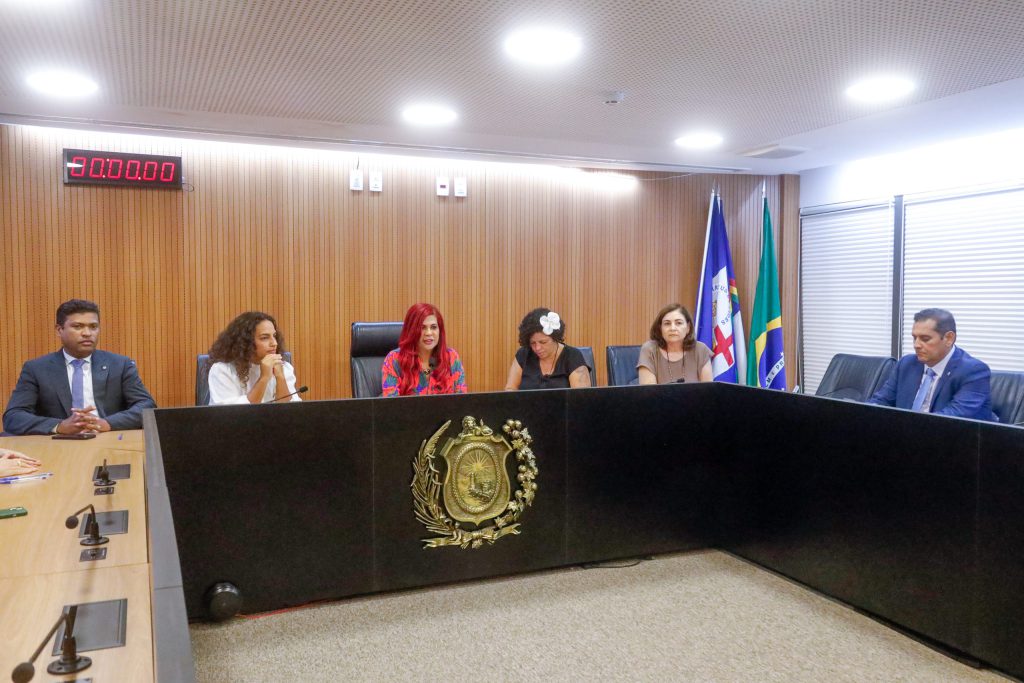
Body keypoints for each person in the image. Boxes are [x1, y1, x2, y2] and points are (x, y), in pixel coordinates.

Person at [3, 299, 156, 435]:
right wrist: (60, 426)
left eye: (93, 327)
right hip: (58, 444)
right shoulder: (36, 369)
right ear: (59, 330)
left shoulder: (120, 365)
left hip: (107, 439)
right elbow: (14, 416)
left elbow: (146, 406)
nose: (87, 333)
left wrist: (107, 423)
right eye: (77, 326)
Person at [869, 308, 995, 421]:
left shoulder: (973, 371)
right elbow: (882, 401)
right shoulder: (906, 364)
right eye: (914, 338)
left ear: (949, 338)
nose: (916, 345)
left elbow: (953, 418)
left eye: (925, 339)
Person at [207, 312, 302, 405]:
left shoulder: (283, 367)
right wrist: (264, 378)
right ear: (245, 342)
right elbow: (233, 412)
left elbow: (289, 411)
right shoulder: (223, 370)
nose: (274, 343)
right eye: (264, 338)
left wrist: (280, 377)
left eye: (274, 336)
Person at [382, 303, 467, 396]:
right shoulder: (394, 360)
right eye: (422, 328)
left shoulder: (451, 358)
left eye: (433, 327)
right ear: (411, 331)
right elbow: (391, 403)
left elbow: (462, 400)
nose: (428, 333)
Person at [504, 308, 590, 390]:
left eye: (543, 342)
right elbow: (511, 389)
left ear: (555, 338)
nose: (537, 348)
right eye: (533, 343)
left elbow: (581, 396)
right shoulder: (523, 354)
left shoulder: (573, 356)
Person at [637, 303, 713, 385]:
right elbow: (648, 390)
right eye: (667, 323)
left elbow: (708, 390)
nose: (672, 328)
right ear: (660, 328)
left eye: (678, 323)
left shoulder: (700, 349)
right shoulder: (649, 350)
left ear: (688, 328)